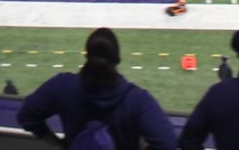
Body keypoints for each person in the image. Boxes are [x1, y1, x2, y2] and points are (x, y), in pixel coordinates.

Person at [17, 27, 175, 148]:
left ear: (87, 56)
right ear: (118, 59)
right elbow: (167, 143)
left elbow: (26, 116)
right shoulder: (137, 100)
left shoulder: (62, 86)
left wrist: (58, 144)